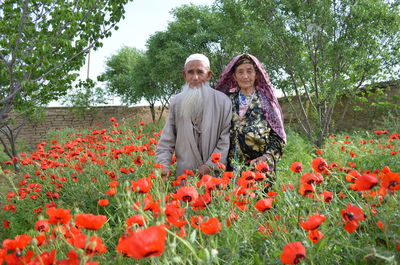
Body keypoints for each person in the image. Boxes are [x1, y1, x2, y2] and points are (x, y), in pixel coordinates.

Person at [156, 53, 232, 177]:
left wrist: (210, 165)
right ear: (184, 75)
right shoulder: (176, 102)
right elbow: (167, 140)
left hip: (214, 179)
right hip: (185, 177)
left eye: (200, 72)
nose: (195, 77)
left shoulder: (223, 102)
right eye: (190, 72)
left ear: (209, 75)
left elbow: (225, 140)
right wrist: (163, 165)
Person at [215, 54, 286, 183]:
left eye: (249, 71)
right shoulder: (226, 100)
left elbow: (278, 137)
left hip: (260, 172)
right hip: (230, 171)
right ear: (234, 76)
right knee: (231, 202)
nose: (245, 76)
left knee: (259, 202)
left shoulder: (267, 102)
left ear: (257, 74)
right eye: (240, 72)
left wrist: (267, 157)